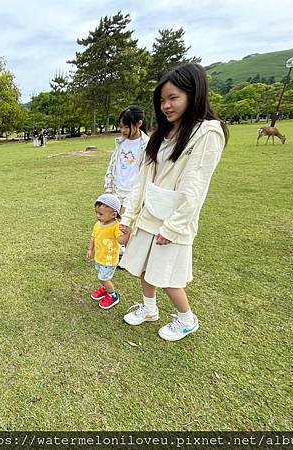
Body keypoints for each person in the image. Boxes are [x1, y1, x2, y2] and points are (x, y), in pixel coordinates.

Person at [119, 63, 228, 342]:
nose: (166, 105)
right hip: (150, 214)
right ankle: (149, 309)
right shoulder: (162, 135)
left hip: (172, 220)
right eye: (162, 100)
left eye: (173, 98)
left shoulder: (207, 132)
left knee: (167, 276)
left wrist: (174, 226)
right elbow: (142, 180)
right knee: (143, 267)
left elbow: (196, 186)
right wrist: (128, 218)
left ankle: (186, 319)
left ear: (194, 95)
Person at [86, 193, 130, 310]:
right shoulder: (98, 224)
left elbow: (121, 240)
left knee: (104, 278)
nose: (97, 216)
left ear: (113, 214)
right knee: (101, 276)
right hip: (99, 257)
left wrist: (127, 234)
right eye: (96, 213)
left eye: (100, 214)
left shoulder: (116, 227)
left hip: (109, 260)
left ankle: (113, 295)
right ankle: (106, 289)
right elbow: (93, 237)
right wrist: (90, 249)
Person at [104, 106, 149, 211]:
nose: (123, 130)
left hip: (133, 193)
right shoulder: (121, 142)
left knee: (126, 224)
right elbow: (112, 166)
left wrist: (135, 196)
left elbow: (146, 175)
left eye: (127, 127)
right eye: (121, 126)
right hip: (116, 191)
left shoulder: (147, 144)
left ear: (139, 124)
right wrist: (108, 190)